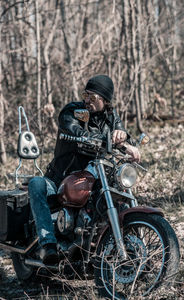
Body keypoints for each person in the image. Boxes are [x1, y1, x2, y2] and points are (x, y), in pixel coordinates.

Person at [28, 74, 140, 264]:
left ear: (104, 100)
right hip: (60, 178)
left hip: (94, 177)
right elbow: (72, 128)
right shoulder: (73, 110)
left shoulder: (111, 117)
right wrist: (93, 137)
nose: (87, 100)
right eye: (85, 94)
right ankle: (48, 244)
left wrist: (127, 140)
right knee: (36, 184)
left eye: (92, 97)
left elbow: (122, 136)